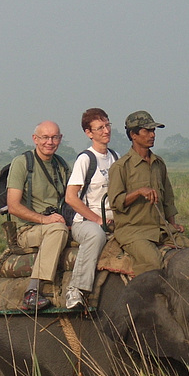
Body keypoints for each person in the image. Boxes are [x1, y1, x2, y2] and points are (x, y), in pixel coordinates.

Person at [108, 110, 189, 276]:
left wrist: (172, 224)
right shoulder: (121, 167)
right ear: (133, 134)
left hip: (161, 228)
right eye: (147, 131)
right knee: (153, 263)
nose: (152, 135)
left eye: (153, 131)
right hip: (134, 231)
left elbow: (168, 199)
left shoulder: (158, 163)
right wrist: (138, 192)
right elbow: (116, 202)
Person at [6, 120, 69, 310]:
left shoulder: (62, 165)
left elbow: (71, 199)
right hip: (29, 229)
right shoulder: (22, 163)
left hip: (59, 222)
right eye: (45, 137)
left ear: (60, 139)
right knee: (57, 230)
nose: (50, 142)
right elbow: (13, 206)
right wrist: (45, 219)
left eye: (54, 137)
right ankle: (32, 291)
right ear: (35, 139)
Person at [64, 108, 119, 309]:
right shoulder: (86, 159)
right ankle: (75, 291)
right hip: (86, 222)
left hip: (113, 218)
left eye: (107, 125)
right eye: (100, 128)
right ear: (89, 133)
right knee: (96, 236)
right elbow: (71, 198)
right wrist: (97, 220)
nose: (106, 131)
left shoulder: (115, 156)